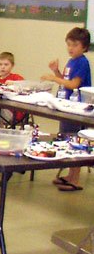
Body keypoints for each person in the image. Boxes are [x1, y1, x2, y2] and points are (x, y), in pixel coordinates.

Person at [41, 27, 92, 191]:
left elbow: (74, 84)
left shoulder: (82, 62)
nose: (70, 48)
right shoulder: (71, 61)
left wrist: (53, 78)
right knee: (66, 137)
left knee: (75, 140)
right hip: (67, 105)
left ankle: (75, 179)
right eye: (68, 44)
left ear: (84, 47)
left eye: (75, 45)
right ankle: (70, 175)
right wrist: (56, 71)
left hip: (78, 108)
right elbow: (66, 80)